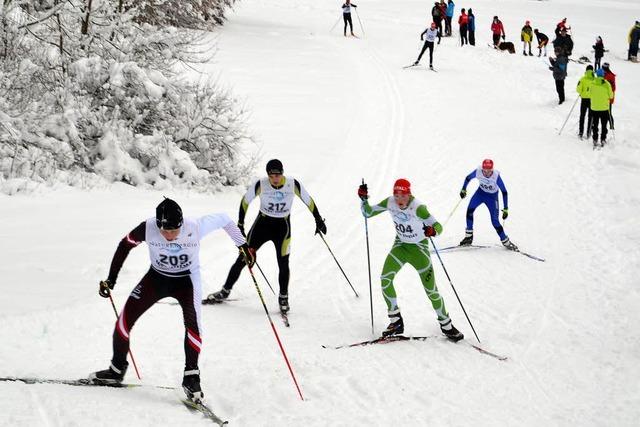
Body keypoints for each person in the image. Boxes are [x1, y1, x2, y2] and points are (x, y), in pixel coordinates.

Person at [89, 198, 250, 403]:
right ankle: (116, 369)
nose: (170, 236)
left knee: (193, 324)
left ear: (182, 224)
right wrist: (111, 279)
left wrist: (243, 245)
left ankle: (191, 375)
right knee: (123, 321)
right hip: (156, 278)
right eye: (165, 231)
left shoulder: (195, 226)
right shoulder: (148, 228)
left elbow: (225, 220)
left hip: (187, 281)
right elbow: (124, 245)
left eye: (174, 231)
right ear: (158, 225)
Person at [207, 159, 326, 313]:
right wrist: (241, 224)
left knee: (283, 263)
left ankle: (283, 297)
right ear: (268, 175)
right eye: (272, 175)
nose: (275, 178)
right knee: (243, 258)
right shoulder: (261, 184)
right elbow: (245, 202)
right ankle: (225, 291)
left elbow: (308, 201)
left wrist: (318, 219)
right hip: (262, 226)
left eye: (278, 175)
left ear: (282, 173)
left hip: (282, 228)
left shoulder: (292, 184)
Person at [358, 179, 463, 341]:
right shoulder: (390, 202)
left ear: (409, 194)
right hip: (400, 247)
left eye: (403, 195)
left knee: (431, 290)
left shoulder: (418, 208)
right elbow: (368, 213)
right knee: (385, 279)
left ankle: (447, 325)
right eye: (396, 195)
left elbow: (438, 227)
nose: (399, 199)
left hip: (419, 250)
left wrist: (431, 231)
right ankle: (396, 321)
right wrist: (364, 199)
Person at [459, 159, 518, 251]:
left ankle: (506, 241)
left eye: (489, 171)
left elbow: (504, 192)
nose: (486, 172)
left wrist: (506, 208)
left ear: (492, 170)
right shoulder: (478, 171)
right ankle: (468, 237)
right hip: (480, 194)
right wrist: (463, 189)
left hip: (492, 198)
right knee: (470, 210)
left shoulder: (496, 176)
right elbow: (468, 178)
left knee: (494, 221)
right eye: (484, 170)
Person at [590, 68, 614, 147]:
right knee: (604, 125)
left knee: (595, 124)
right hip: (604, 108)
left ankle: (595, 139)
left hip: (594, 108)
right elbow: (611, 96)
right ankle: (603, 139)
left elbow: (589, 94)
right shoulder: (607, 83)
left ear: (597, 74)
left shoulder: (592, 83)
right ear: (603, 74)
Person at [576, 65, 595, 139]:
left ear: (586, 70)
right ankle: (589, 132)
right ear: (592, 70)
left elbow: (578, 89)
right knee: (591, 116)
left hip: (584, 99)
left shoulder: (582, 79)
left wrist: (582, 92)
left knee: (582, 116)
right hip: (592, 100)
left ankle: (581, 132)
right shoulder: (595, 79)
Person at [602, 63, 616, 129]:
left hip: (608, 97)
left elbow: (613, 88)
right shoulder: (604, 74)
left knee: (608, 112)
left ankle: (611, 126)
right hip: (603, 96)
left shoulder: (610, 75)